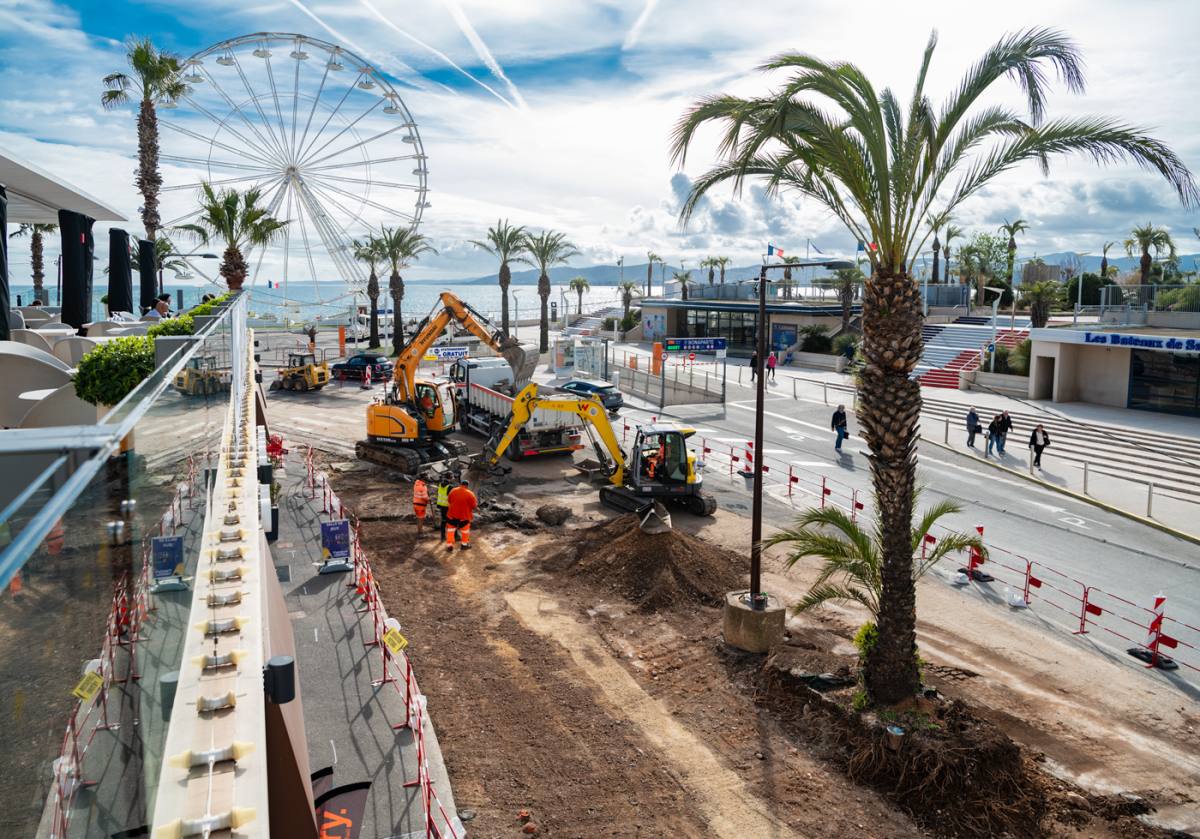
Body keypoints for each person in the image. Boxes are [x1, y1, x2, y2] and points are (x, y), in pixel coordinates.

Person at [446, 478, 478, 551]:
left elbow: (449, 500)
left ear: (461, 484)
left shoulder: (453, 491)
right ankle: (464, 545)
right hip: (464, 517)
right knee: (465, 531)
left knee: (450, 531)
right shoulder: (470, 493)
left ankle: (449, 546)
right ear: (467, 486)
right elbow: (474, 506)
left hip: (452, 515)